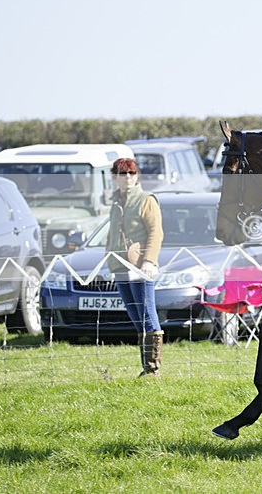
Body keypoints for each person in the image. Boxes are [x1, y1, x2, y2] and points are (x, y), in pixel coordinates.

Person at [106, 158, 165, 377]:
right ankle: (145, 366)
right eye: (123, 174)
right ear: (115, 178)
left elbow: (156, 233)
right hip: (120, 267)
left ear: (137, 176)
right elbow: (112, 236)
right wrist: (109, 261)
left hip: (142, 267)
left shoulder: (146, 199)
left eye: (132, 173)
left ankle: (152, 369)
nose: (128, 177)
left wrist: (149, 260)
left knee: (147, 314)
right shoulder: (115, 203)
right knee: (134, 315)